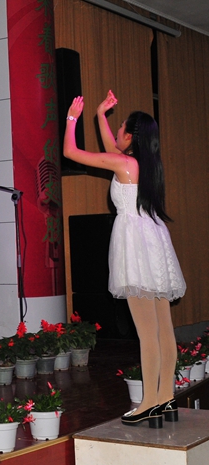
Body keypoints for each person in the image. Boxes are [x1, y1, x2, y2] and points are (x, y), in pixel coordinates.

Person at [64, 91, 186, 428]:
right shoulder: (144, 165)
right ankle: (165, 398)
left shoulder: (124, 164)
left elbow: (70, 152)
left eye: (121, 128)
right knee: (163, 328)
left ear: (131, 136)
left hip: (135, 246)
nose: (117, 132)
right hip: (154, 242)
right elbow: (111, 148)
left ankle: (149, 403)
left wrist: (72, 118)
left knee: (147, 332)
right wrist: (100, 114)